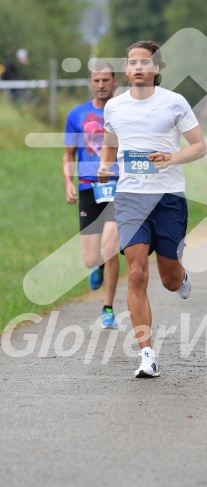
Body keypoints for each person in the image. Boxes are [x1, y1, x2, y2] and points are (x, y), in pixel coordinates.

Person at [97, 40, 207, 378]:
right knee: (137, 272)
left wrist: (172, 158)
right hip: (131, 197)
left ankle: (182, 273)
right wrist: (105, 166)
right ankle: (147, 354)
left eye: (145, 62)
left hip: (168, 196)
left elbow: (199, 146)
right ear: (126, 70)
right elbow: (111, 144)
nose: (138, 67)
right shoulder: (113, 107)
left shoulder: (174, 102)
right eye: (132, 62)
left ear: (157, 69)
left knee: (170, 280)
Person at [63, 60, 121, 330]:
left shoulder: (124, 111)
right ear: (90, 83)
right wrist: (68, 182)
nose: (100, 85)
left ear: (115, 81)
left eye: (105, 80)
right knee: (90, 258)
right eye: (96, 81)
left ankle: (108, 308)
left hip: (119, 185)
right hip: (88, 186)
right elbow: (68, 154)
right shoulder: (76, 114)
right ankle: (95, 267)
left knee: (110, 248)